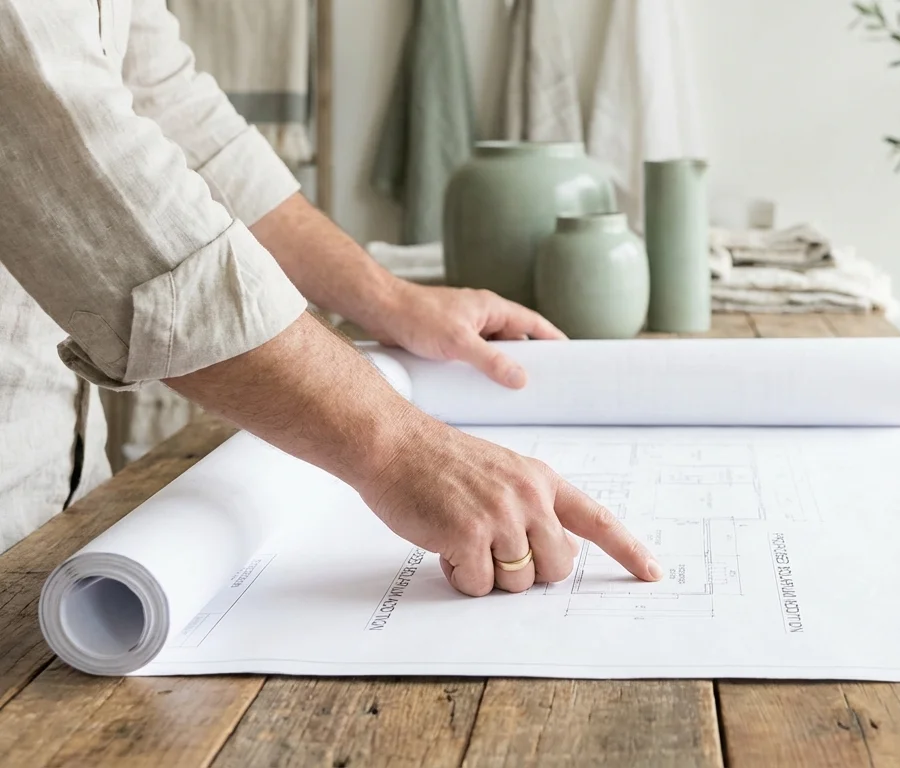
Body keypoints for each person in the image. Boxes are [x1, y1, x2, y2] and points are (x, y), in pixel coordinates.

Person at [0, 0, 660, 595]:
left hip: (58, 501)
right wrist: (400, 449)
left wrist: (389, 299)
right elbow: (76, 157)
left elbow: (172, 113)